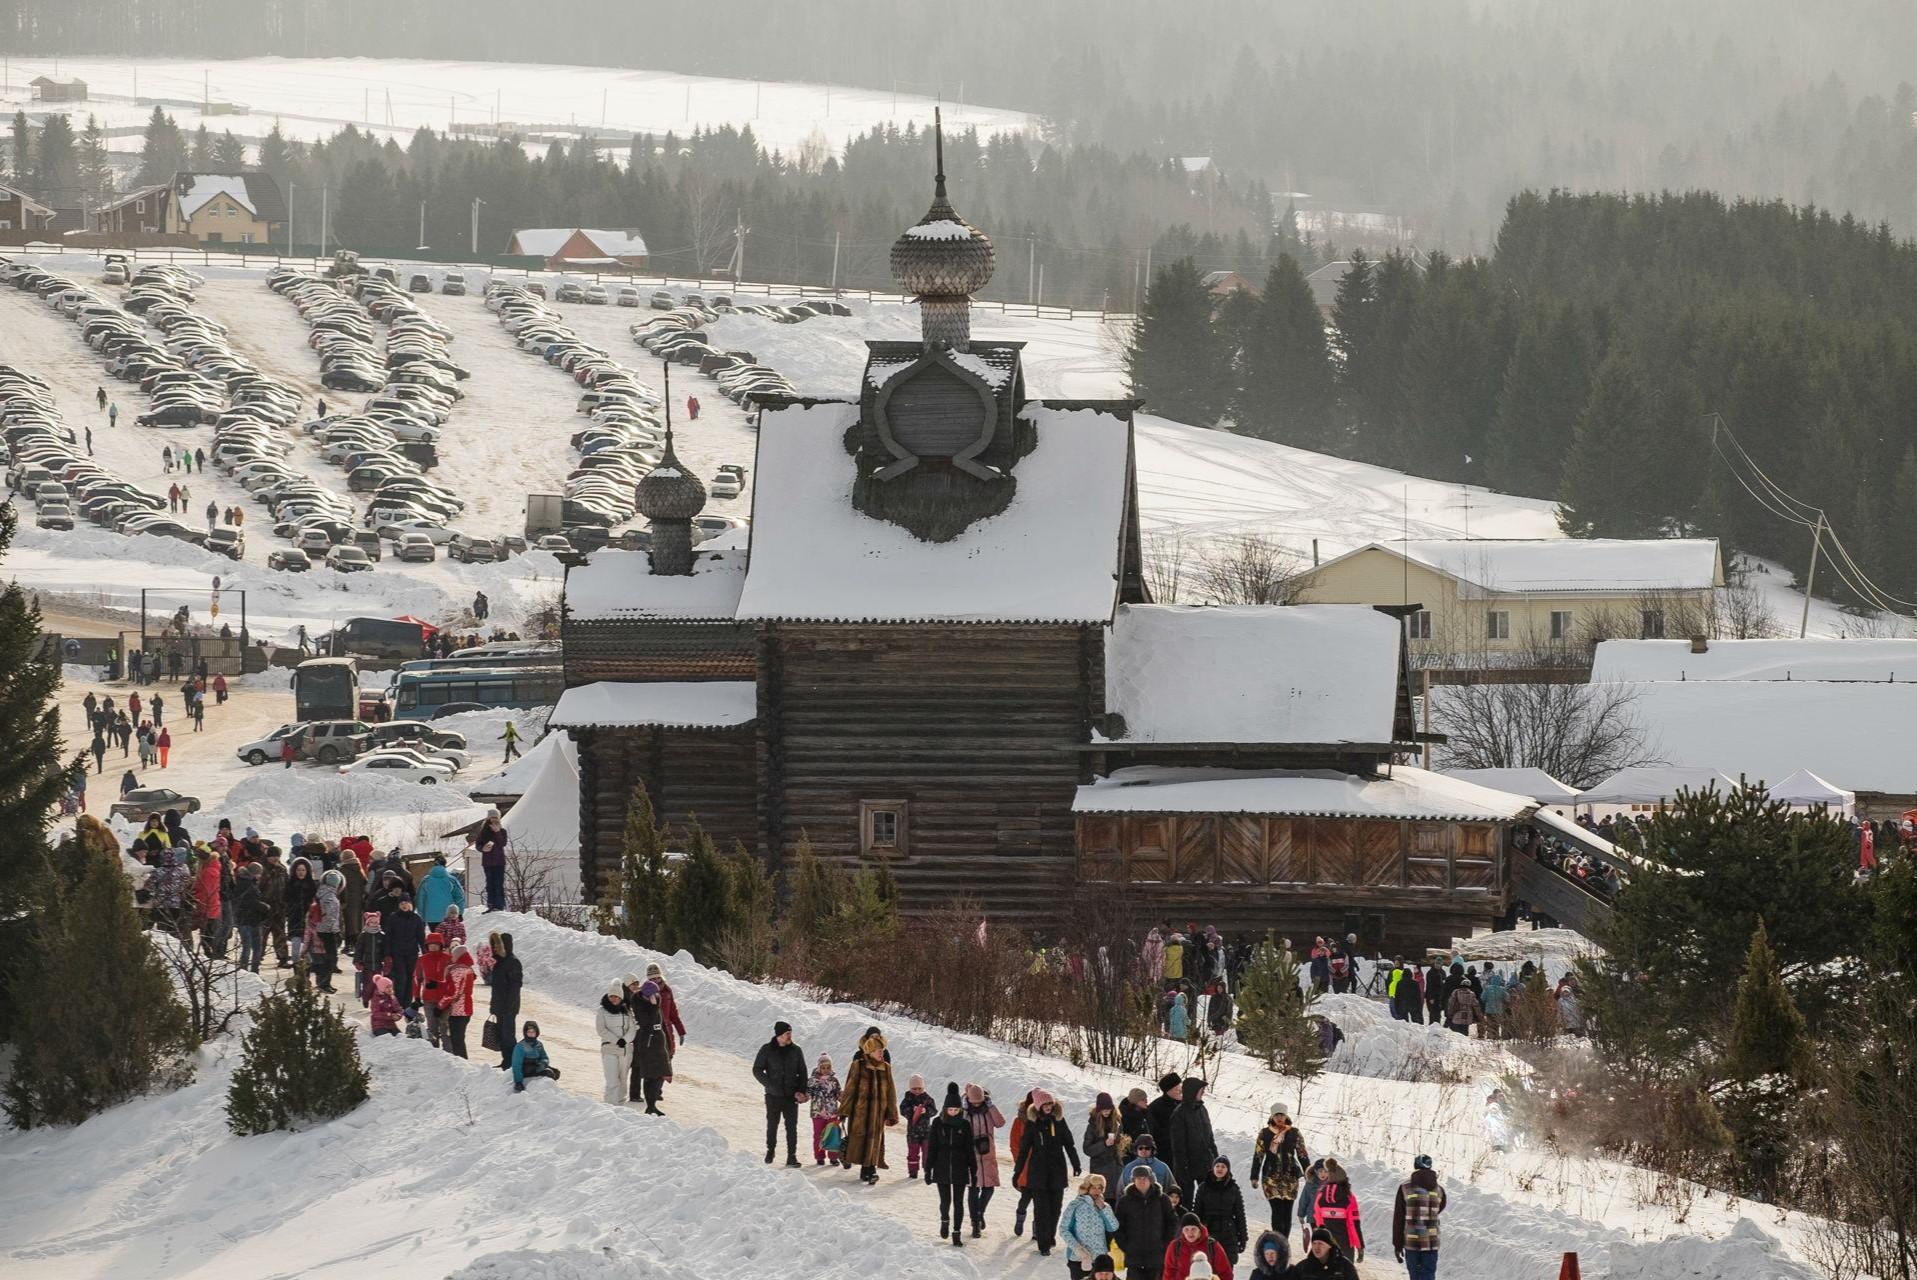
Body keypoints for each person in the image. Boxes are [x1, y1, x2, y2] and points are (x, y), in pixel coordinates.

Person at [1019, 1089, 1080, 1257]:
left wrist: (1076, 1163)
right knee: (1042, 1210)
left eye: (1050, 1104)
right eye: (1045, 1104)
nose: (1048, 1107)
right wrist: (1017, 1172)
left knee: (1055, 1208)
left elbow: (1069, 1144)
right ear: (1038, 1106)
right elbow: (1024, 1150)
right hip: (1038, 1173)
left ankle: (1050, 1235)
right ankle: (1043, 1243)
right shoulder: (1032, 1124)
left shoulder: (1059, 1121)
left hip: (1057, 1171)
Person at [839, 1030, 898, 1183]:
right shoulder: (858, 1066)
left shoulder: (886, 1068)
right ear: (871, 1051)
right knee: (860, 1141)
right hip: (861, 1112)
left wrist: (891, 1113)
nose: (882, 1053)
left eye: (883, 1051)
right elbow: (850, 1089)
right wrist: (844, 1111)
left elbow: (891, 1092)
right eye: (879, 1051)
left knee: (874, 1141)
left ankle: (870, 1170)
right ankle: (865, 1169)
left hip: (878, 1113)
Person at [927, 1082, 980, 1247]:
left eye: (956, 1110)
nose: (953, 1113)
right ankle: (945, 1220)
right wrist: (928, 1169)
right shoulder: (937, 1123)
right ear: (945, 1109)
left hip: (960, 1168)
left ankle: (956, 1232)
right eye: (950, 1110)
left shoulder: (965, 1125)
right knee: (945, 1201)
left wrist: (973, 1171)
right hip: (941, 1167)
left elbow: (970, 1149)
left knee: (958, 1202)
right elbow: (932, 1147)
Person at [752, 1019, 808, 1166]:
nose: (790, 1036)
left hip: (791, 1096)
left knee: (791, 1127)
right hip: (773, 1096)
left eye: (790, 1033)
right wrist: (769, 1084)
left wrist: (801, 1091)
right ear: (779, 1035)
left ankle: (791, 1157)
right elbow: (757, 1069)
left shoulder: (796, 1050)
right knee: (772, 1125)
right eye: (787, 1033)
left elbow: (803, 1072)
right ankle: (770, 1150)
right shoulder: (767, 1049)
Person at [1249, 1109, 1309, 1235]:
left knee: (1287, 1212)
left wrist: (1309, 1173)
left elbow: (1302, 1154)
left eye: (1282, 1115)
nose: (1280, 1118)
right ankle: (1277, 1240)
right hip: (1271, 1178)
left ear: (1286, 1116)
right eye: (1277, 1115)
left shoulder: (1294, 1133)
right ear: (1272, 1116)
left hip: (1290, 1178)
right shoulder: (1265, 1133)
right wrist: (1254, 1176)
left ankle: (1284, 1242)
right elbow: (1258, 1155)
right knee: (1277, 1210)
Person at [1115, 1164, 1177, 1280]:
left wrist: (1164, 1244)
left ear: (1151, 1179)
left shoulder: (1162, 1199)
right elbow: (1118, 1226)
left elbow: (1172, 1222)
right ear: (1133, 1180)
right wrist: (1126, 1246)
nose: (1141, 1181)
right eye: (1138, 1178)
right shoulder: (1125, 1201)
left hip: (1157, 1256)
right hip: (1134, 1257)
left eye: (1145, 1178)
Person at [1391, 1155, 1445, 1280]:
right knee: (1428, 1275)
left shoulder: (1405, 1187)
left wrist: (1397, 1245)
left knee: (1415, 1276)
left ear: (1415, 1166)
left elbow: (1399, 1218)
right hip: (1431, 1242)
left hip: (1412, 1242)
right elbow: (1439, 1208)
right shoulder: (1439, 1190)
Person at [963, 1082, 1006, 1236]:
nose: (976, 1104)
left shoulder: (988, 1110)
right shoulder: (965, 1111)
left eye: (979, 1102)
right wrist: (964, 1110)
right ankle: (975, 1223)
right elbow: (958, 1125)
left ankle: (980, 1212)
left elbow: (1000, 1123)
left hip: (988, 1154)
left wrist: (991, 1106)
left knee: (989, 1187)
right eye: (973, 1102)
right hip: (971, 1155)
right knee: (973, 1188)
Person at [1169, 1076, 1217, 1202]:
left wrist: (1216, 1160)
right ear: (1192, 1091)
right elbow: (1178, 1145)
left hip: (1204, 1164)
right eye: (1201, 1090)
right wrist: (1183, 1167)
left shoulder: (1202, 1109)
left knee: (1208, 1200)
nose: (1203, 1092)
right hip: (1186, 1167)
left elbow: (1210, 1138)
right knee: (1186, 1202)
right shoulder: (1179, 1114)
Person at [1062, 1172, 1120, 1278]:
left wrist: (1103, 1208)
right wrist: (1078, 1249)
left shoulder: (1105, 1206)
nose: (1097, 1191)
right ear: (1087, 1188)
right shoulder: (1075, 1205)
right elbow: (1064, 1229)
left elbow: (1113, 1227)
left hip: (1100, 1259)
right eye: (1093, 1187)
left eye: (1099, 1188)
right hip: (1078, 1259)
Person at [631, 978, 673, 1114]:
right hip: (647, 1044)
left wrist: (668, 1042)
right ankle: (650, 1106)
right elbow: (646, 1023)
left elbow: (661, 1024)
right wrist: (654, 1007)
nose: (656, 996)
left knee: (661, 1074)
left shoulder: (656, 1001)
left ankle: (653, 1104)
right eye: (653, 994)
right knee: (650, 1075)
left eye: (656, 993)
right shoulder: (640, 1004)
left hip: (659, 1044)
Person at [1312, 1158, 1364, 1263]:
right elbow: (1353, 1225)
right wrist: (1360, 1246)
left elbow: (1319, 1222)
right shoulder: (1349, 1198)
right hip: (1345, 1246)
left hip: (1326, 1245)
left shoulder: (1320, 1197)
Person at [596, 981, 636, 1104]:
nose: (614, 999)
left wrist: (625, 1040)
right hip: (609, 1048)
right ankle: (610, 1103)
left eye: (617, 996)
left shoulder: (627, 1011)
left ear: (621, 998)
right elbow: (601, 1030)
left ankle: (620, 1102)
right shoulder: (602, 1011)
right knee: (612, 1079)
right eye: (612, 996)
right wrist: (616, 1040)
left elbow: (632, 1029)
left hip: (625, 1050)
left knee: (623, 1078)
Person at [489, 932, 523, 1070]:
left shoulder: (513, 962)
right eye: (493, 946)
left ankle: (512, 1063)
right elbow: (496, 988)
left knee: (508, 1036)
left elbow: (515, 987)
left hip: (509, 1007)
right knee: (501, 1036)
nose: (494, 948)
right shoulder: (499, 963)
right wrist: (494, 1005)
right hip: (499, 1006)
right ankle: (506, 1061)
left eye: (497, 946)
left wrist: (509, 1006)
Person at [1162, 1212, 1231, 1280]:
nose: (1190, 1233)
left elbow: (1225, 1272)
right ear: (1182, 1231)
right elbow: (1169, 1272)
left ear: (1199, 1230)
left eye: (1193, 1229)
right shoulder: (1175, 1246)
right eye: (1186, 1229)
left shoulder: (1212, 1245)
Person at [384, 895, 427, 1004]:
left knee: (410, 978)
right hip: (397, 953)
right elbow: (388, 936)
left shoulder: (416, 918)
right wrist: (387, 953)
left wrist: (425, 951)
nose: (404, 905)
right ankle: (398, 1002)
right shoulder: (393, 918)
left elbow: (421, 937)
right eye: (402, 903)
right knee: (401, 978)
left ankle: (407, 1003)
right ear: (399, 905)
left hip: (412, 953)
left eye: (406, 903)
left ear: (410, 904)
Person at [414, 931, 454, 1046]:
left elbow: (453, 980)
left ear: (441, 945)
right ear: (427, 946)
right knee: (432, 1029)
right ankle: (434, 1052)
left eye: (436, 945)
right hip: (429, 999)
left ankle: (448, 1052)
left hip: (445, 1000)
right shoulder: (422, 960)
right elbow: (417, 979)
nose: (433, 947)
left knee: (445, 1029)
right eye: (431, 945)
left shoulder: (448, 959)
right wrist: (416, 997)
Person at [439, 944, 477, 1058]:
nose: (452, 957)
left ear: (458, 955)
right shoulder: (467, 968)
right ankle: (462, 1062)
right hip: (466, 1008)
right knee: (459, 1039)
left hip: (458, 1010)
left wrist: (440, 1005)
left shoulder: (458, 970)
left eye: (453, 955)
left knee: (457, 1040)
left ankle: (462, 1063)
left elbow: (453, 992)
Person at [808, 1053, 843, 1165]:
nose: (826, 1070)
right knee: (818, 1135)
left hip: (832, 1112)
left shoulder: (834, 1080)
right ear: (819, 1068)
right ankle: (819, 1156)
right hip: (818, 1112)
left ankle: (833, 1157)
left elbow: (838, 1094)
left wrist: (843, 1099)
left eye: (828, 1067)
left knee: (833, 1134)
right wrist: (802, 1096)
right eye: (823, 1068)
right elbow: (808, 1093)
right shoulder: (813, 1081)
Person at [646, 962, 688, 1057]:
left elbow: (673, 1014)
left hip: (667, 1032)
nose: (655, 980)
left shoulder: (667, 991)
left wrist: (681, 1031)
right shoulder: (645, 993)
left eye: (657, 977)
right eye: (652, 979)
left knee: (668, 1057)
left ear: (661, 977)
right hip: (652, 1033)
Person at [312, 868, 343, 991]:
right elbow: (330, 914)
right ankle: (324, 984)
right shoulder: (329, 895)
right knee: (330, 958)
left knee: (325, 957)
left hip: (323, 929)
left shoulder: (322, 892)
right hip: (328, 931)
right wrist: (334, 929)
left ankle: (324, 983)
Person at [899, 1073, 936, 1179]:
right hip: (913, 1132)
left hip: (926, 1132)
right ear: (910, 1088)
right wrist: (912, 1110)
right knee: (913, 1153)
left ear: (923, 1088)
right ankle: (913, 1171)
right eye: (914, 1089)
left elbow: (934, 1111)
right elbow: (903, 1110)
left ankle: (928, 1170)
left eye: (919, 1088)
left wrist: (926, 1110)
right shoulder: (907, 1099)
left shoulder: (928, 1099)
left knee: (927, 1152)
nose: (917, 1091)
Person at [1287, 1227, 1359, 1280]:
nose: (1316, 1247)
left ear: (1329, 1246)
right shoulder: (1302, 1267)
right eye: (1314, 1243)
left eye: (1320, 1243)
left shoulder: (1345, 1266)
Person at [415, 853, 467, 926]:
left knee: (435, 933)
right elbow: (460, 897)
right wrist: (460, 912)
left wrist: (421, 915)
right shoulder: (451, 880)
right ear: (444, 865)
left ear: (434, 865)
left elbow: (420, 899)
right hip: (449, 916)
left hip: (431, 917)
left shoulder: (426, 881)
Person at [284, 857, 318, 966]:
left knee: (309, 949)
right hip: (295, 919)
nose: (301, 872)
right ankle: (296, 968)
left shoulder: (313, 885)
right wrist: (289, 911)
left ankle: (307, 970)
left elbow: (317, 902)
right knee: (295, 949)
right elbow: (285, 900)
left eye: (303, 870)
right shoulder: (290, 884)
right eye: (298, 870)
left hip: (309, 920)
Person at [511, 1021, 560, 1091]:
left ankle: (552, 1090)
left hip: (536, 1066)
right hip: (525, 1069)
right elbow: (516, 1065)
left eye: (533, 1032)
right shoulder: (520, 1046)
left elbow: (544, 1057)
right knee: (549, 1073)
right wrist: (518, 1082)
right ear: (525, 1033)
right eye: (529, 1032)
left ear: (537, 1032)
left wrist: (543, 1064)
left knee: (556, 1072)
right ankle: (545, 1090)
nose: (531, 1034)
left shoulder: (539, 1044)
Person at [475, 809, 508, 912]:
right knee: (489, 884)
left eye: (496, 818)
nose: (494, 820)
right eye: (492, 817)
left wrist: (497, 832)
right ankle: (491, 905)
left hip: (499, 862)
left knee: (498, 883)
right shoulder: (483, 832)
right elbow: (478, 845)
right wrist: (482, 848)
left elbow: (502, 843)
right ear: (488, 819)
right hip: (488, 862)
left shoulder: (502, 831)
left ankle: (499, 905)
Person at [1147, 1074, 1183, 1156]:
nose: (1180, 1091)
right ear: (1168, 1091)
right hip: (1165, 1152)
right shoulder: (1155, 1107)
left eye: (1180, 1087)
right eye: (1176, 1089)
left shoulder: (1186, 1105)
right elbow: (1153, 1133)